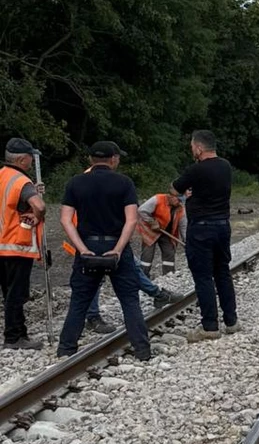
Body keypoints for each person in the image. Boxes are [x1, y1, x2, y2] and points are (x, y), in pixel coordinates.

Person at [57, 141, 151, 360]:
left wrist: (82, 249)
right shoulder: (124, 183)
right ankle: (142, 351)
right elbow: (131, 220)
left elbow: (65, 219)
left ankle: (66, 349)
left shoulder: (75, 183)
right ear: (113, 159)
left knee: (79, 300)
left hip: (88, 245)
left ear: (90, 160)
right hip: (115, 245)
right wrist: (117, 250)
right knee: (129, 300)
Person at [171, 130, 240, 342]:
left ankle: (210, 325)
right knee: (222, 272)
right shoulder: (225, 166)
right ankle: (231, 321)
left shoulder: (195, 170)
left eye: (193, 146)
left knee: (203, 276)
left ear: (199, 148)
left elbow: (174, 190)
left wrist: (185, 195)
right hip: (222, 226)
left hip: (201, 228)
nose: (192, 150)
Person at [1, 138, 47, 350]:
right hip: (15, 246)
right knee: (16, 294)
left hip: (2, 244)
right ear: (22, 159)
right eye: (30, 157)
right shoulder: (21, 181)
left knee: (8, 292)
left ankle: (17, 334)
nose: (31, 161)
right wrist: (37, 216)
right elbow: (38, 205)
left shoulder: (2, 176)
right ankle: (14, 337)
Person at [138, 192, 187, 277]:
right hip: (150, 231)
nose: (179, 202)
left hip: (167, 233)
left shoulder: (181, 209)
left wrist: (187, 242)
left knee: (169, 252)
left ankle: (169, 275)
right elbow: (141, 210)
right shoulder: (158, 199)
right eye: (178, 200)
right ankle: (143, 277)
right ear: (172, 196)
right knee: (147, 255)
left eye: (181, 201)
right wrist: (152, 221)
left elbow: (184, 227)